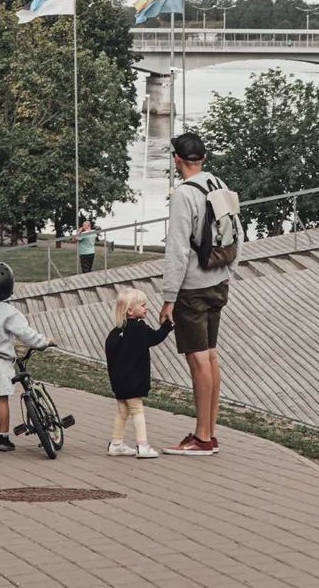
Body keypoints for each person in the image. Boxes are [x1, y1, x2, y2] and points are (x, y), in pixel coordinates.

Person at [159, 132, 241, 456]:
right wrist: (230, 273)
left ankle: (202, 438)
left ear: (177, 159)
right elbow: (238, 232)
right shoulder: (218, 184)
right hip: (218, 281)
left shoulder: (182, 194)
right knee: (210, 354)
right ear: (203, 159)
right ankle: (209, 433)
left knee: (198, 359)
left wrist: (168, 298)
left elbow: (177, 249)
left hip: (192, 287)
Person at [0, 261, 55, 452]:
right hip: (0, 362)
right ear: (10, 287)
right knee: (1, 399)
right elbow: (26, 334)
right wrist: (43, 342)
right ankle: (4, 439)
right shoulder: (10, 312)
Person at [105, 288, 173, 459]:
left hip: (118, 380)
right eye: (143, 305)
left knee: (122, 412)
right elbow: (156, 337)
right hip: (134, 380)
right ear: (130, 310)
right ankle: (143, 445)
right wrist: (168, 325)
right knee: (137, 411)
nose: (146, 308)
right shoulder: (139, 329)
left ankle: (116, 443)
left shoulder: (116, 332)